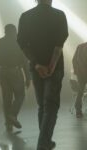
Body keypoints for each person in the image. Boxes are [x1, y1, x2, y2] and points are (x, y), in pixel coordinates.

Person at [17, 0, 68, 149]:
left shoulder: (25, 16)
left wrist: (36, 64)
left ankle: (46, 140)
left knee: (42, 106)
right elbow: (59, 44)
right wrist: (51, 65)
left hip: (36, 68)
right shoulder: (59, 15)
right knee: (51, 106)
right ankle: (43, 143)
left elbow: (21, 42)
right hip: (55, 67)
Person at [0, 24, 31, 133]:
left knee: (6, 98)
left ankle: (8, 124)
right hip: (15, 71)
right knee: (20, 95)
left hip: (1, 72)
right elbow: (25, 62)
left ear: (5, 31)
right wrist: (28, 78)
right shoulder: (19, 43)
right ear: (14, 32)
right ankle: (12, 115)